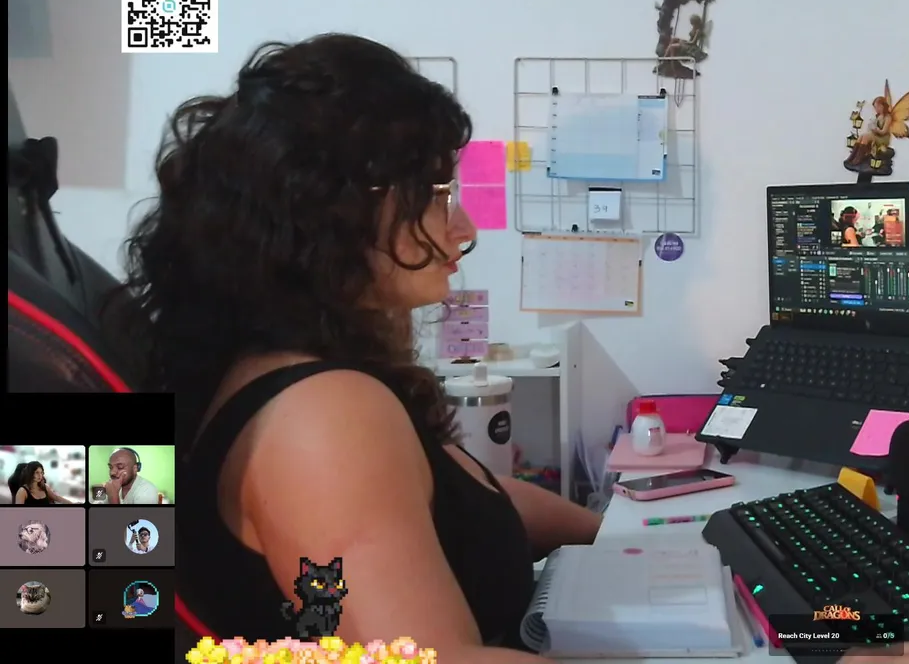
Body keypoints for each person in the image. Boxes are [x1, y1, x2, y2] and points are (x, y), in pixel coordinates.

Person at [121, 34, 603, 661]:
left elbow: (471, 500)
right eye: (434, 195)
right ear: (330, 216)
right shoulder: (321, 414)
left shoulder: (307, 372)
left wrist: (618, 535)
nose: (463, 228)